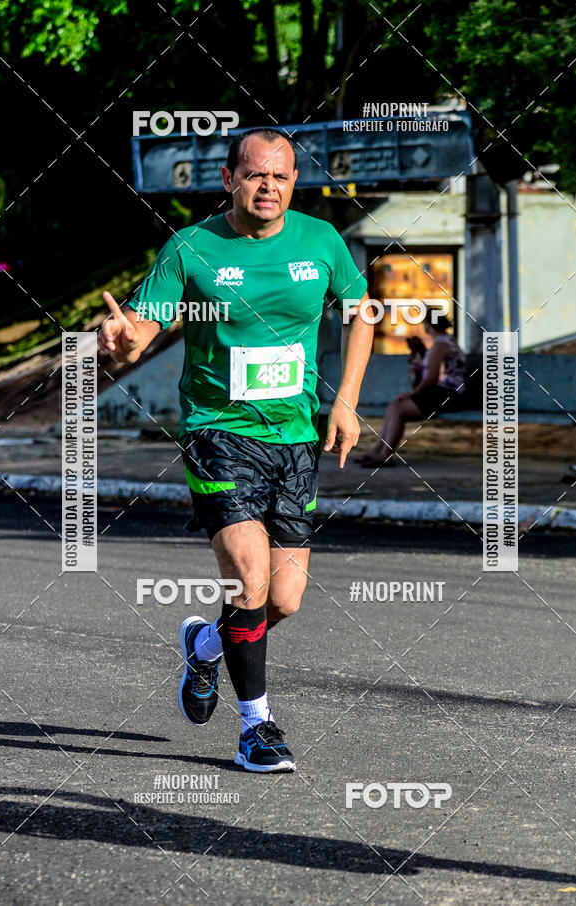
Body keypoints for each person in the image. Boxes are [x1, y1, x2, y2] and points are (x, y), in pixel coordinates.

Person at [98, 128, 373, 772]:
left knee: (283, 600)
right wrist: (125, 338)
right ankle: (258, 726)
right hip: (218, 432)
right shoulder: (191, 248)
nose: (269, 187)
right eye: (255, 175)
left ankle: (205, 648)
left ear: (294, 184)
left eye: (280, 176)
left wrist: (347, 400)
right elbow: (146, 324)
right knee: (248, 578)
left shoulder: (323, 241)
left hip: (294, 436)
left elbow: (361, 312)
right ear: (229, 181)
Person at [355, 310, 466, 468]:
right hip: (444, 394)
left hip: (446, 396)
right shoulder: (447, 341)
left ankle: (384, 455)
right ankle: (378, 452)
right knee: (395, 407)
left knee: (399, 409)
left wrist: (412, 394)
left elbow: (432, 378)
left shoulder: (440, 345)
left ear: (428, 325)